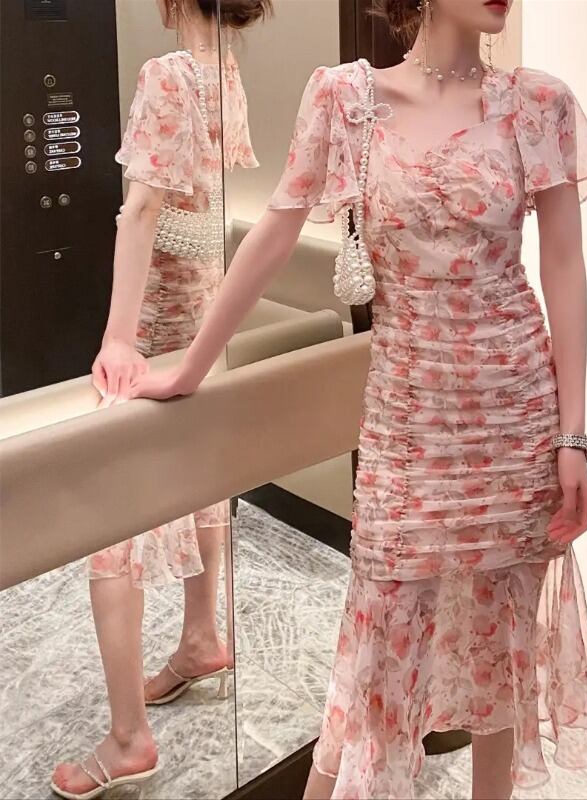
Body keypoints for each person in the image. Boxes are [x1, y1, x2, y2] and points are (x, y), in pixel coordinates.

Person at [128, 0, 587, 797]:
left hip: (515, 417)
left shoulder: (539, 104)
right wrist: (191, 365)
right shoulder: (346, 98)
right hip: (407, 416)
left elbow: (564, 266)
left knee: (500, 648)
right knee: (376, 647)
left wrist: (574, 437)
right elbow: (274, 232)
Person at [50, 1, 269, 798]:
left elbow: (144, 208)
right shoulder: (225, 74)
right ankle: (203, 638)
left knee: (113, 518)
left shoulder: (167, 73)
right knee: (198, 476)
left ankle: (128, 738)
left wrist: (117, 338)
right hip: (200, 316)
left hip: (157, 327)